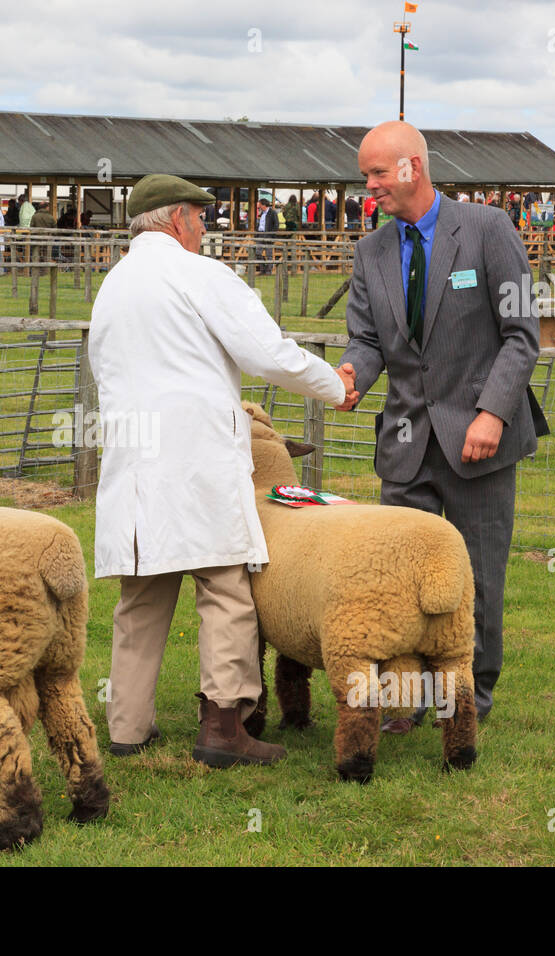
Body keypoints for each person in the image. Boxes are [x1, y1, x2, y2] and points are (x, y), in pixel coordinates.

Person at [92, 174, 355, 767]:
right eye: (200, 218)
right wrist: (333, 388)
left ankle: (128, 727)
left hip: (135, 465)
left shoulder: (113, 286)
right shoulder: (201, 275)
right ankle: (223, 729)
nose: (205, 229)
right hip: (195, 464)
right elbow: (266, 352)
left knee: (142, 596)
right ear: (178, 219)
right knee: (226, 588)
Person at [334, 121, 546, 731]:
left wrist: (492, 412)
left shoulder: (486, 231)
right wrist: (351, 375)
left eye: (377, 173)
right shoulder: (371, 251)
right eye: (364, 175)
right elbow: (368, 340)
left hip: (478, 441)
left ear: (413, 168)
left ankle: (467, 697)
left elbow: (520, 334)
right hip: (404, 443)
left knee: (475, 574)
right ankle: (406, 697)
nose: (368, 187)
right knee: (401, 579)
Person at [254, 197, 278, 273]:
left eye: (260, 205)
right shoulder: (262, 213)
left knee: (269, 255)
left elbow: (276, 224)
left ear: (264, 205)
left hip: (268, 235)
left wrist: (272, 235)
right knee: (258, 253)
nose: (259, 206)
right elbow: (260, 224)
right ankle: (263, 268)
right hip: (260, 235)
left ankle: (268, 270)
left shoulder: (272, 212)